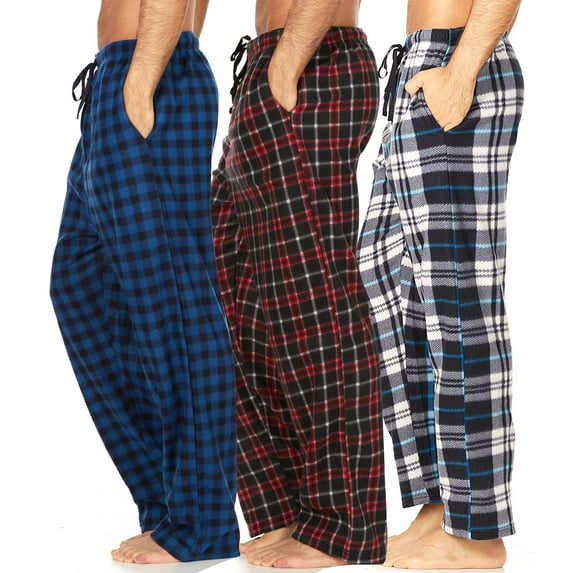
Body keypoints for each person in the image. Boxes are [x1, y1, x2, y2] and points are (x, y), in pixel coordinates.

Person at [49, 0, 239, 564]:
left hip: (147, 73)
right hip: (124, 76)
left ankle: (202, 522)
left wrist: (140, 80)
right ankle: (169, 503)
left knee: (176, 304)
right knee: (78, 281)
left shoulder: (144, 78)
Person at [211, 0, 387, 568]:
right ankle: (287, 505)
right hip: (271, 65)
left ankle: (344, 524)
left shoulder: (295, 61)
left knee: (316, 303)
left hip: (309, 59)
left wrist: (286, 64)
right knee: (227, 290)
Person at [357, 0, 524, 568]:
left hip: (459, 59)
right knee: (384, 275)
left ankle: (477, 532)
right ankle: (441, 504)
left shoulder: (460, 66)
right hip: (424, 63)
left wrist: (461, 70)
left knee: (459, 304)